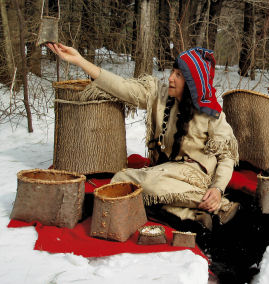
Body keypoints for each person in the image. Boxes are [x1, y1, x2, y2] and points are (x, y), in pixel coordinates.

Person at [47, 43, 240, 230]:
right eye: (172, 72)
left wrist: (217, 189)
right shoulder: (158, 94)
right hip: (164, 171)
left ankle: (220, 203)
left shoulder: (211, 112)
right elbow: (121, 87)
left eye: (179, 75)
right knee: (122, 179)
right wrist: (80, 61)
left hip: (194, 175)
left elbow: (227, 156)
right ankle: (194, 214)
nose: (171, 78)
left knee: (146, 184)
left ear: (191, 83)